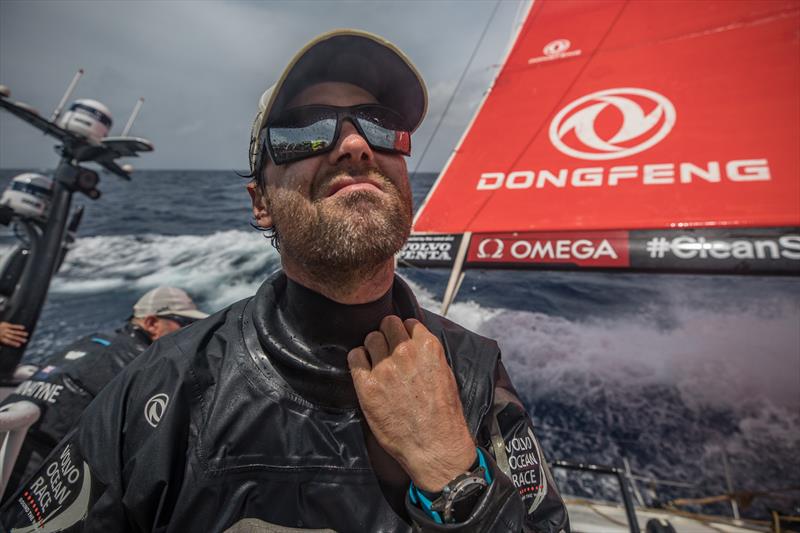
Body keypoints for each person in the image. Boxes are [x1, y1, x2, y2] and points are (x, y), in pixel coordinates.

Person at [0, 30, 569, 532]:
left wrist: (456, 477)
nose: (355, 144)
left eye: (381, 126)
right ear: (261, 202)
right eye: (304, 130)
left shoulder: (473, 370)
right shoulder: (163, 385)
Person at [0, 286, 207, 501]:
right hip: (34, 480)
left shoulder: (96, 340)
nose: (192, 332)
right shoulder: (144, 363)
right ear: (152, 323)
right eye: (186, 324)